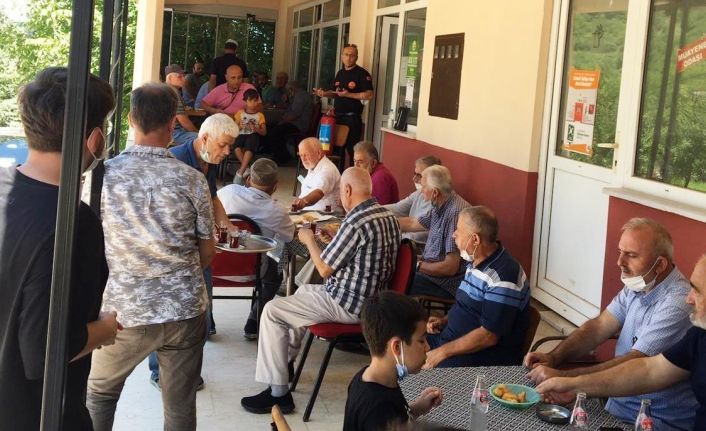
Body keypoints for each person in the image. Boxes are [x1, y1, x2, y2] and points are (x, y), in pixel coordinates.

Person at [86, 83, 215, 431]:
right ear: (173, 123)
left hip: (123, 313)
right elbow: (207, 251)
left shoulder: (101, 177)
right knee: (180, 407)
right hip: (184, 310)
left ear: (131, 119)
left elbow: (88, 245)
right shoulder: (193, 180)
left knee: (99, 395)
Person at [0, 67, 120, 430]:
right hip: (36, 412)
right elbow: (43, 352)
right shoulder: (74, 223)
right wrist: (105, 329)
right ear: (95, 139)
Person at [240, 167, 401, 414]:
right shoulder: (386, 215)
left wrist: (309, 240)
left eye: (341, 191)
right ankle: (285, 363)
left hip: (348, 304)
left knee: (272, 311)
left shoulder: (356, 221)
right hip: (371, 299)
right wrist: (336, 237)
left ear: (347, 190)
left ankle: (278, 394)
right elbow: (362, 255)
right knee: (302, 292)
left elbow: (324, 269)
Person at [526, 218, 697, 430]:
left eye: (631, 255)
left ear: (660, 265)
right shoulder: (640, 283)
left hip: (652, 420)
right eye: (620, 252)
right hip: (614, 407)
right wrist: (554, 357)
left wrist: (567, 379)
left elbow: (638, 362)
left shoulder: (679, 302)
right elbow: (599, 326)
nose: (619, 262)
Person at [147, 113, 239, 389]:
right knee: (168, 313)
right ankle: (159, 372)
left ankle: (189, 362)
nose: (228, 152)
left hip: (200, 248)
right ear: (205, 138)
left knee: (200, 309)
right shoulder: (174, 160)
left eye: (231, 146)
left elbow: (212, 197)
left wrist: (228, 226)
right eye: (223, 145)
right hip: (173, 250)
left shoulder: (208, 161)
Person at [422, 206, 530, 368]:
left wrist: (442, 352)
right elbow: (466, 306)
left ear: (475, 240)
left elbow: (489, 336)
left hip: (484, 357)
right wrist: (444, 321)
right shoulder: (476, 261)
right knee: (404, 347)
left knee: (421, 373)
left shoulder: (503, 276)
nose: (454, 234)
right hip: (452, 342)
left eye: (458, 231)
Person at [217, 158, 295, 339]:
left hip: (215, 269)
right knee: (276, 270)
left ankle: (209, 322)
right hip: (253, 271)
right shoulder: (277, 210)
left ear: (248, 178)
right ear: (275, 186)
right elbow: (289, 237)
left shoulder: (227, 192)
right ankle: (253, 321)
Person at [344, 291, 443, 431]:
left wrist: (418, 408)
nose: (428, 347)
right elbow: (387, 416)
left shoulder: (368, 378)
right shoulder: (377, 411)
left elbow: (396, 414)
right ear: (396, 347)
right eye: (421, 340)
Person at [398, 165, 471, 299]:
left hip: (445, 283)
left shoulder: (454, 214)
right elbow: (413, 223)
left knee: (397, 279)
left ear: (435, 192)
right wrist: (385, 221)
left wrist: (417, 265)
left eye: (423, 187)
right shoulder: (441, 203)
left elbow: (450, 268)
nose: (421, 191)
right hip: (431, 270)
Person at [313, 44, 373, 168]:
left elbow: (369, 95)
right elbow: (335, 93)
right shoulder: (340, 73)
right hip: (337, 117)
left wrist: (348, 94)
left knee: (352, 151)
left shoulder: (362, 74)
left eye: (352, 55)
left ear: (356, 57)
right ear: (342, 56)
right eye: (346, 54)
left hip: (352, 118)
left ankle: (352, 176)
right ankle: (336, 176)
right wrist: (324, 93)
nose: (348, 58)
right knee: (335, 150)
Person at [384, 156, 441, 248]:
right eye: (414, 173)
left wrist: (392, 233)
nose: (414, 179)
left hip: (418, 248)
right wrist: (373, 210)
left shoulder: (439, 204)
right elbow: (397, 208)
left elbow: (421, 235)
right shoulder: (419, 193)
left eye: (419, 175)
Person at [265, 80, 313, 163]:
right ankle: (275, 153)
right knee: (269, 126)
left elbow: (295, 114)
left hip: (299, 125)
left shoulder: (301, 96)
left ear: (291, 89)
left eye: (287, 90)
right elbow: (289, 110)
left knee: (275, 131)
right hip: (294, 123)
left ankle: (282, 157)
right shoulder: (297, 96)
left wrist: (282, 121)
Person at [291, 137, 342, 213]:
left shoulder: (327, 169)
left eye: (306, 155)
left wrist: (303, 202)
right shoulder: (313, 164)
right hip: (310, 212)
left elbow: (318, 192)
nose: (303, 159)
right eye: (301, 155)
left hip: (324, 215)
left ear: (318, 154)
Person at [232, 88, 266, 184]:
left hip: (253, 136)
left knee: (249, 146)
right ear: (245, 101)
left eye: (255, 101)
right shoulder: (240, 113)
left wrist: (256, 129)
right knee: (236, 146)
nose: (253, 103)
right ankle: (246, 167)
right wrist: (240, 126)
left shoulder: (260, 115)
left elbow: (264, 132)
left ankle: (240, 172)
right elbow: (233, 129)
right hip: (241, 135)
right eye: (251, 101)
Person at [164, 64, 199, 147]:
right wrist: (199, 134)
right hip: (174, 133)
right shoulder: (173, 93)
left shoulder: (165, 91)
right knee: (206, 140)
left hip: (168, 131)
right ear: (170, 78)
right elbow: (183, 120)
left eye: (184, 76)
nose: (184, 79)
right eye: (180, 77)